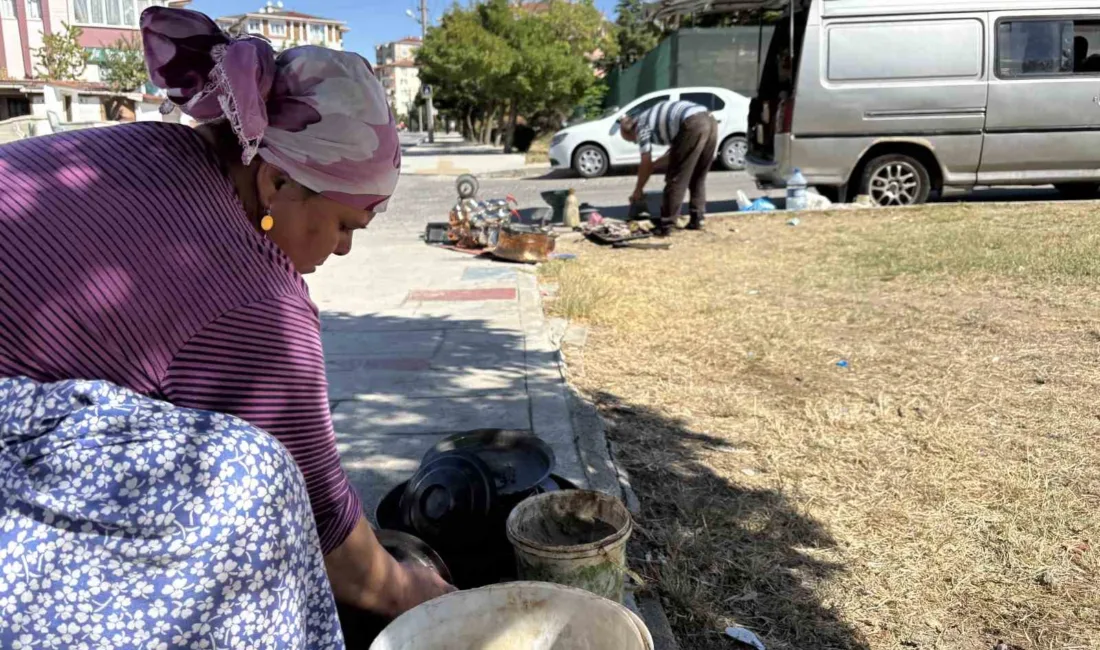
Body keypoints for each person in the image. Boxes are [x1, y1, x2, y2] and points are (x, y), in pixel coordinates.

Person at [0, 5, 451, 646]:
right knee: (255, 488)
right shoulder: (252, 298)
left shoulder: (152, 144)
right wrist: (411, 592)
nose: (345, 249)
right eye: (346, 224)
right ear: (273, 182)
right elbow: (325, 523)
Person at [619, 99, 719, 235]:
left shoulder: (641, 127)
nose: (635, 143)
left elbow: (645, 161)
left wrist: (638, 190)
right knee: (698, 175)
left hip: (693, 122)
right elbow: (676, 151)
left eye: (632, 140)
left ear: (631, 132)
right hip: (709, 120)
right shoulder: (651, 118)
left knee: (676, 178)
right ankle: (697, 219)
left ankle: (667, 224)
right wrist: (653, 166)